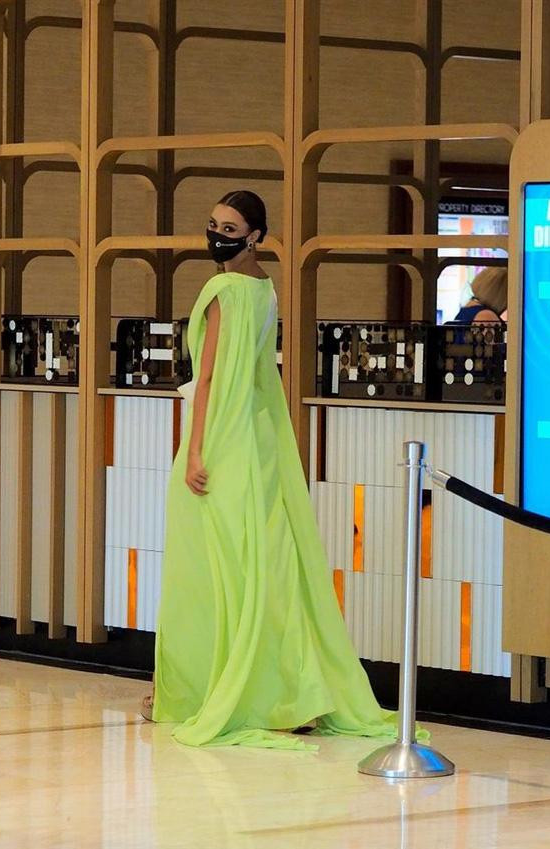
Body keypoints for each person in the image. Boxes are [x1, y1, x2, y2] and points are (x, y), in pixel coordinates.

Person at [142, 190, 427, 751]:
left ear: (254, 236)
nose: (217, 234)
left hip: (220, 441)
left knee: (210, 573)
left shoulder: (223, 290)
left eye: (229, 228)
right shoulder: (265, 288)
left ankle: (203, 693)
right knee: (267, 568)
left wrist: (194, 451)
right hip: (259, 441)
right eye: (213, 224)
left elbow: (211, 378)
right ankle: (286, 693)